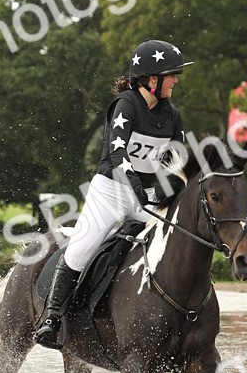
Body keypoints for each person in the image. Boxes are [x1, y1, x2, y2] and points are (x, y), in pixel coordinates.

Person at [33, 39, 191, 349]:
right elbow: (119, 154)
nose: (175, 80)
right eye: (171, 75)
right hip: (110, 191)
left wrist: (173, 189)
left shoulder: (172, 116)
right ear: (151, 78)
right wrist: (136, 187)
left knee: (175, 240)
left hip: (145, 197)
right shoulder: (126, 105)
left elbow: (179, 161)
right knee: (80, 249)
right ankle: (51, 318)